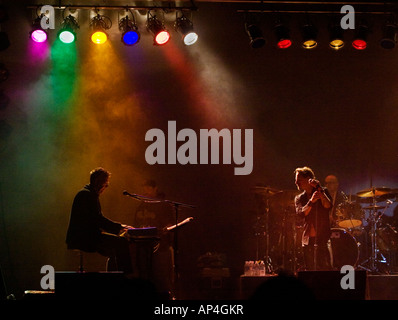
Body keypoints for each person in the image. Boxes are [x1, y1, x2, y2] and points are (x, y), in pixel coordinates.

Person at [66, 167, 133, 274]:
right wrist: (119, 227)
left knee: (113, 250)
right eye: (106, 184)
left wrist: (118, 227)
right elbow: (98, 219)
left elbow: (96, 219)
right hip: (85, 237)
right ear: (99, 183)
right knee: (121, 243)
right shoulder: (87, 195)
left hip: (85, 235)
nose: (106, 187)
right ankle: (126, 277)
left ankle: (114, 278)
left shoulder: (86, 193)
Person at [294, 166, 333, 270]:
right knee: (309, 270)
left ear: (308, 179)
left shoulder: (323, 191)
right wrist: (311, 201)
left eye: (299, 180)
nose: (296, 183)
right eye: (296, 180)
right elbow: (301, 213)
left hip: (322, 237)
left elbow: (328, 206)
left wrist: (319, 189)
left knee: (325, 268)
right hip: (307, 239)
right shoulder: (299, 198)